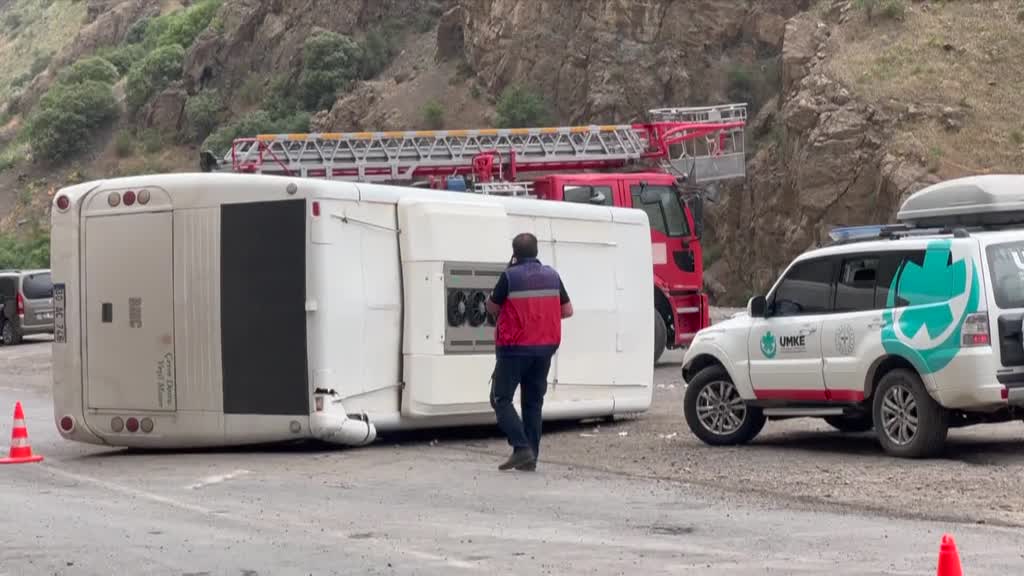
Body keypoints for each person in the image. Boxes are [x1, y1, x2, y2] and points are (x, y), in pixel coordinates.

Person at [486, 232, 573, 472]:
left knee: (501, 399)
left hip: (514, 349)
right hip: (544, 349)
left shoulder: (509, 277)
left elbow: (492, 307)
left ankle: (521, 446)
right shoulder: (553, 276)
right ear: (536, 252)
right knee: (533, 403)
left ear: (515, 253)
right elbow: (567, 311)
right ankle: (530, 458)